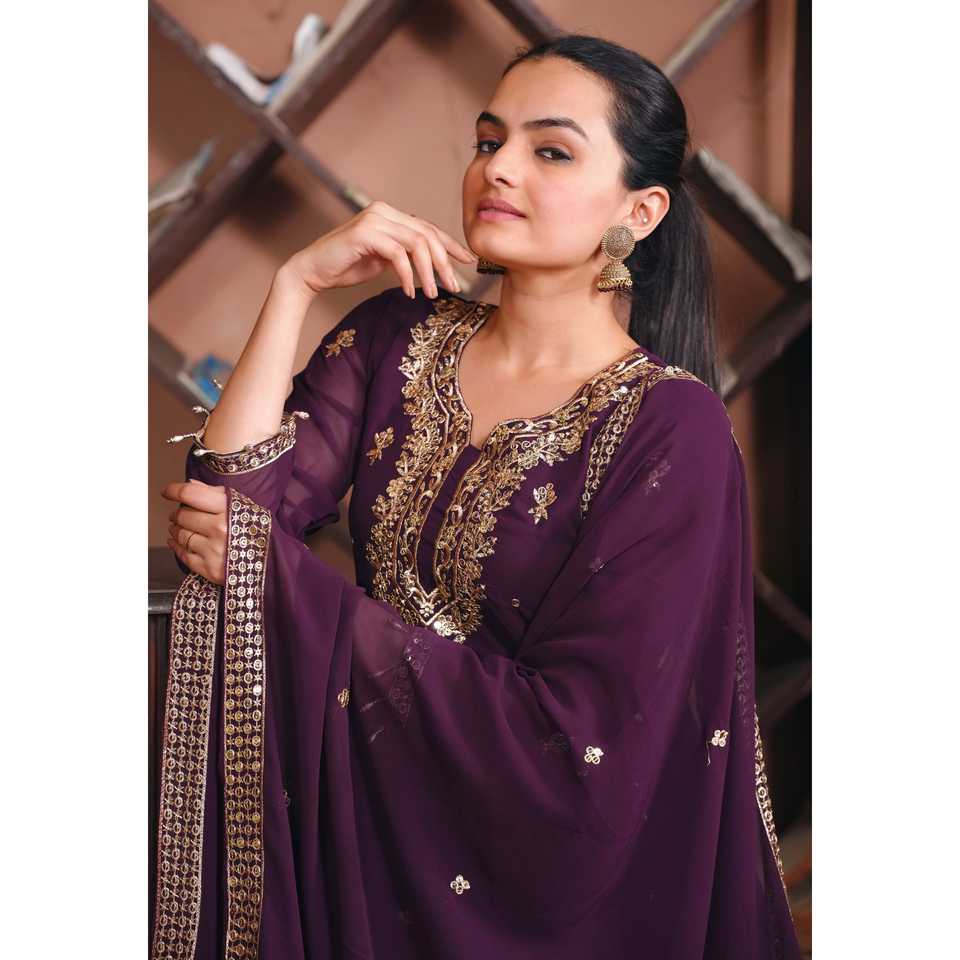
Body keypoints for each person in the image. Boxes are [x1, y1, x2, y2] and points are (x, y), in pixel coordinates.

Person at [155, 34, 802, 960]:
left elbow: (588, 746)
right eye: (488, 140)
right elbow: (227, 514)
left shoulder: (670, 430)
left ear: (641, 210)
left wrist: (281, 580)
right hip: (359, 813)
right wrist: (294, 285)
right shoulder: (396, 338)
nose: (498, 168)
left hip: (534, 880)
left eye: (551, 150)